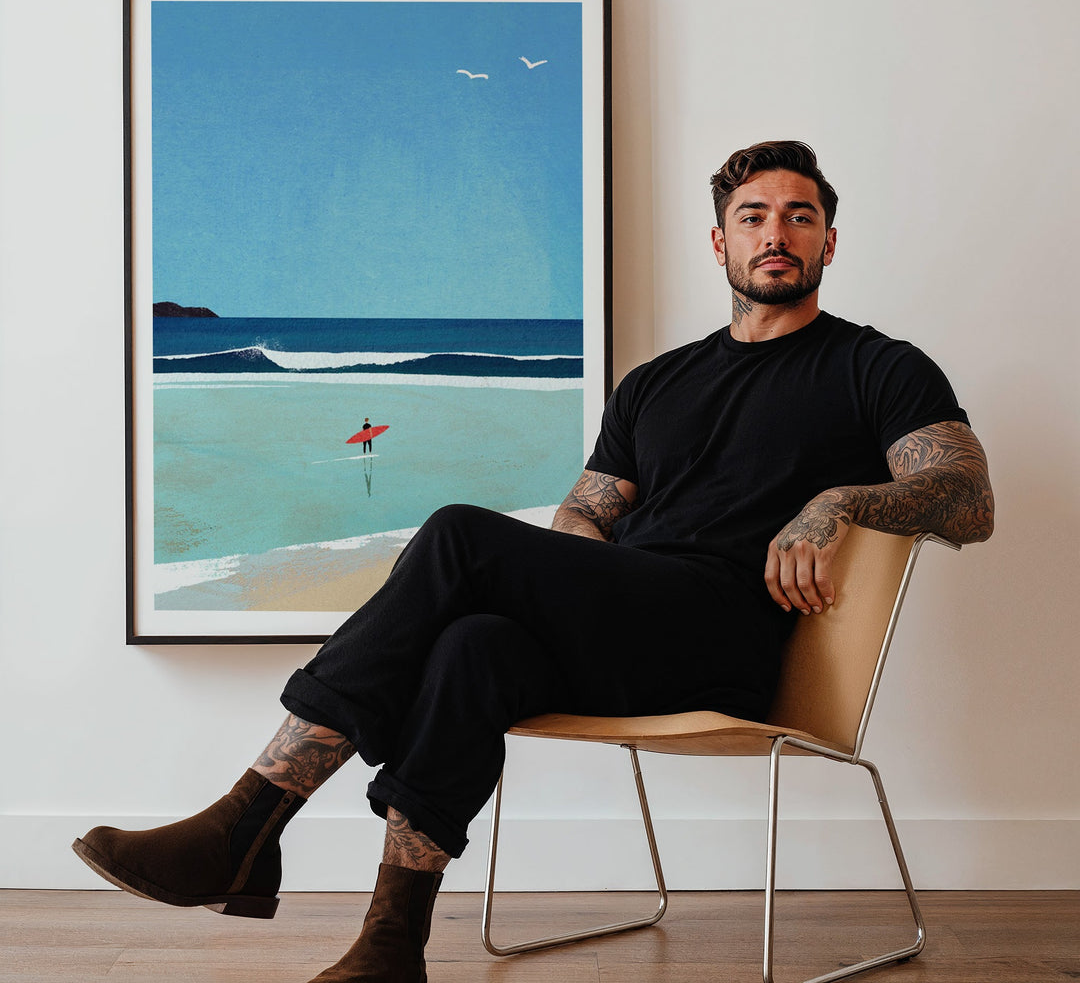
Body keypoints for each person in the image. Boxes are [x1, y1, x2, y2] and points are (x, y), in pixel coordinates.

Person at [72, 141, 994, 983]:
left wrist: (839, 502)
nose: (776, 234)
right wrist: (575, 568)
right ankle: (391, 945)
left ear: (830, 240)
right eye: (753, 217)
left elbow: (967, 495)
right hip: (624, 624)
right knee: (475, 645)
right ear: (720, 244)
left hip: (725, 640)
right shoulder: (657, 383)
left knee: (459, 534)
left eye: (799, 216)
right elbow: (584, 511)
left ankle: (244, 822)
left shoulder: (878, 367)